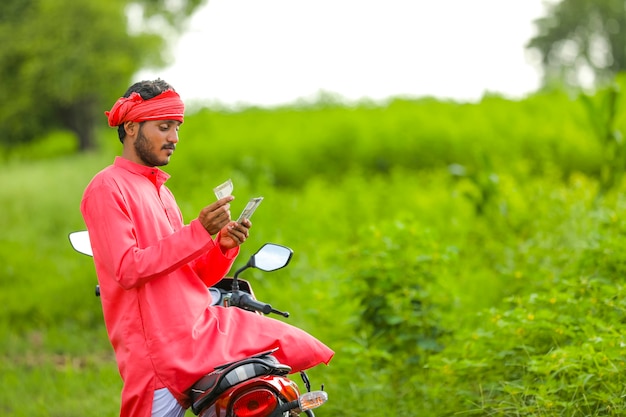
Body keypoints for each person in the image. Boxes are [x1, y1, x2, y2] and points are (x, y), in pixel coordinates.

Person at [80, 79, 334, 417]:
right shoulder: (107, 187)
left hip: (199, 336)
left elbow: (192, 277)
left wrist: (221, 246)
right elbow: (127, 270)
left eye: (177, 127)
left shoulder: (161, 191)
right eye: (164, 126)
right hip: (158, 357)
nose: (174, 138)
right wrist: (198, 231)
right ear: (130, 126)